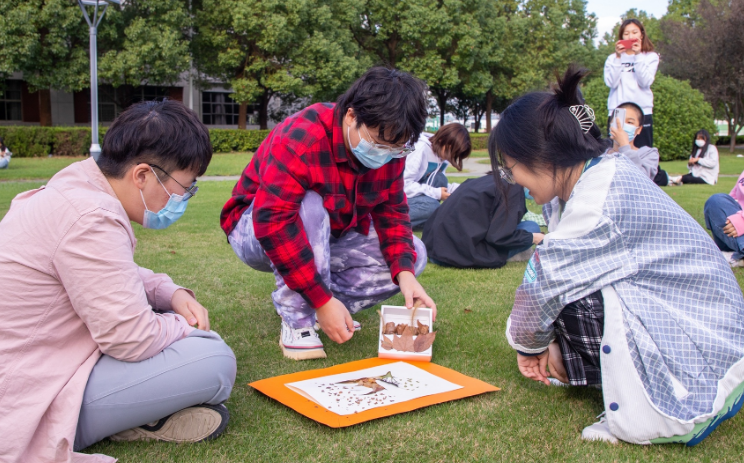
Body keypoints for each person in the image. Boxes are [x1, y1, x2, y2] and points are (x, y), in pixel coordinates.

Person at [492, 66, 744, 446]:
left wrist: (528, 346)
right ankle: (580, 368)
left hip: (698, 343)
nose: (516, 182)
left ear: (540, 157)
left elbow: (543, 284)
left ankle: (651, 404)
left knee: (576, 300)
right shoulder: (600, 175)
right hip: (707, 329)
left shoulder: (600, 197)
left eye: (512, 171)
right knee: (572, 299)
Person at [0, 101, 237, 463]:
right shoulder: (91, 217)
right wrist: (182, 328)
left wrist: (166, 291)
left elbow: (104, 271)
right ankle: (102, 424)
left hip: (34, 364)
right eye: (183, 187)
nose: (182, 199)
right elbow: (130, 337)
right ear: (142, 175)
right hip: (27, 393)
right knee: (214, 358)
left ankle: (135, 415)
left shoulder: (74, 189)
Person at [221, 67, 436, 361]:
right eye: (378, 144)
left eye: (396, 150)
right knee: (309, 205)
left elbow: (392, 211)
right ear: (351, 117)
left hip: (330, 235)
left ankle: (330, 308)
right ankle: (298, 319)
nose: (385, 155)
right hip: (254, 230)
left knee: (415, 254)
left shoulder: (392, 149)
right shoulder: (303, 136)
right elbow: (273, 221)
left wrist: (406, 274)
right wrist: (320, 299)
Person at [422, 174, 543, 268]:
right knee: (531, 228)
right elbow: (499, 236)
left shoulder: (487, 180)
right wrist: (534, 238)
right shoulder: (513, 189)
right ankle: (510, 255)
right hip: (462, 254)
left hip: (434, 250)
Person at [403, 123, 471, 230]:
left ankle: (422, 219)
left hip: (417, 197)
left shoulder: (442, 155)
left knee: (440, 179)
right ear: (442, 140)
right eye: (451, 152)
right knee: (433, 207)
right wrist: (437, 193)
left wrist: (461, 190)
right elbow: (404, 186)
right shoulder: (420, 148)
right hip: (400, 196)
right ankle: (389, 220)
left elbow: (439, 184)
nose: (450, 158)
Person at [604, 18, 659, 148]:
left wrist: (638, 55)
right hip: (618, 110)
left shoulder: (650, 57)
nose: (631, 36)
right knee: (615, 152)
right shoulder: (612, 58)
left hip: (642, 111)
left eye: (634, 32)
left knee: (641, 151)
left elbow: (645, 81)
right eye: (626, 33)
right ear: (621, 36)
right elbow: (611, 83)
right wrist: (618, 58)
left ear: (641, 34)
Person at [606, 101, 659, 180]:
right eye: (619, 121)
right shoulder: (600, 154)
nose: (622, 126)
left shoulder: (648, 154)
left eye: (629, 122)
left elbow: (642, 179)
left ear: (639, 129)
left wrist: (624, 145)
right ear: (611, 124)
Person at [703, 171, 744, 267]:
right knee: (716, 201)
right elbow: (733, 199)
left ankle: (738, 253)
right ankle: (737, 252)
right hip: (736, 234)